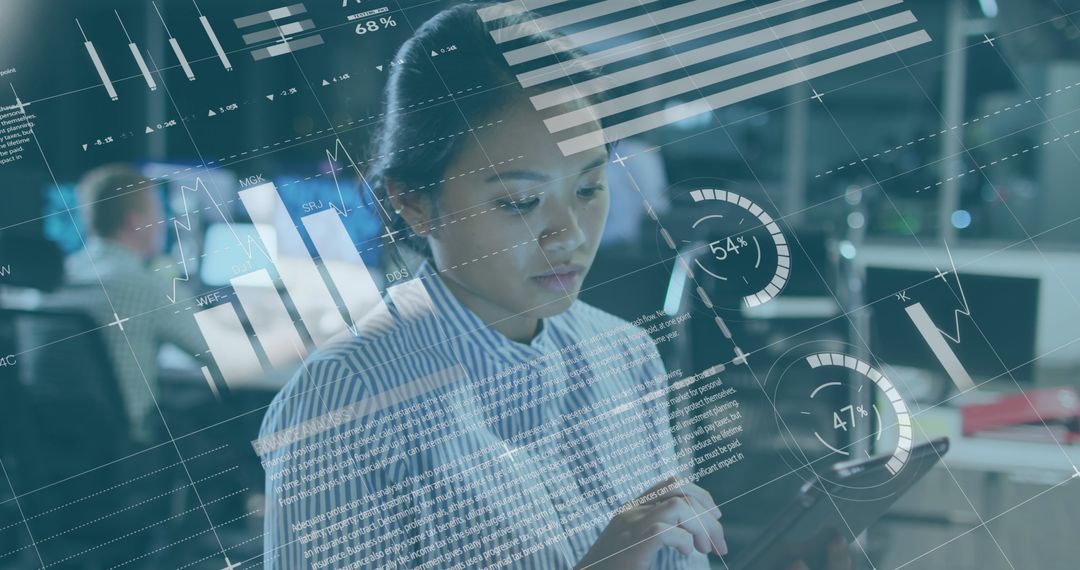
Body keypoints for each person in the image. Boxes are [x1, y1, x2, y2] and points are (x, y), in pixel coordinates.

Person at [258, 4, 850, 569]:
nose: (567, 233)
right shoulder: (340, 405)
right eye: (520, 201)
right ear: (415, 204)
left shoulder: (624, 355)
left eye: (589, 188)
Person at [50, 165, 296, 442]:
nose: (163, 223)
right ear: (134, 221)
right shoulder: (146, 284)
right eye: (157, 213)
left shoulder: (58, 277)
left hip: (57, 442)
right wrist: (291, 341)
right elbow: (231, 361)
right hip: (132, 444)